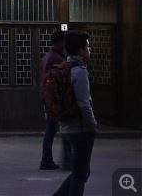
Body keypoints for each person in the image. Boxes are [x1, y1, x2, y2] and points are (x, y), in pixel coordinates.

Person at [53, 31, 97, 196]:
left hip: (67, 127)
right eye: (87, 46)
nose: (89, 50)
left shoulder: (65, 68)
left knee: (80, 171)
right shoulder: (80, 72)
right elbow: (84, 104)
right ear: (81, 50)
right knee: (81, 174)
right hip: (81, 129)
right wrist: (93, 124)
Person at [39, 30, 72, 170]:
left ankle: (48, 159)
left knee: (51, 129)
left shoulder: (49, 56)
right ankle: (53, 159)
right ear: (60, 42)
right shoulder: (57, 59)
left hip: (48, 98)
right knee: (60, 128)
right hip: (55, 99)